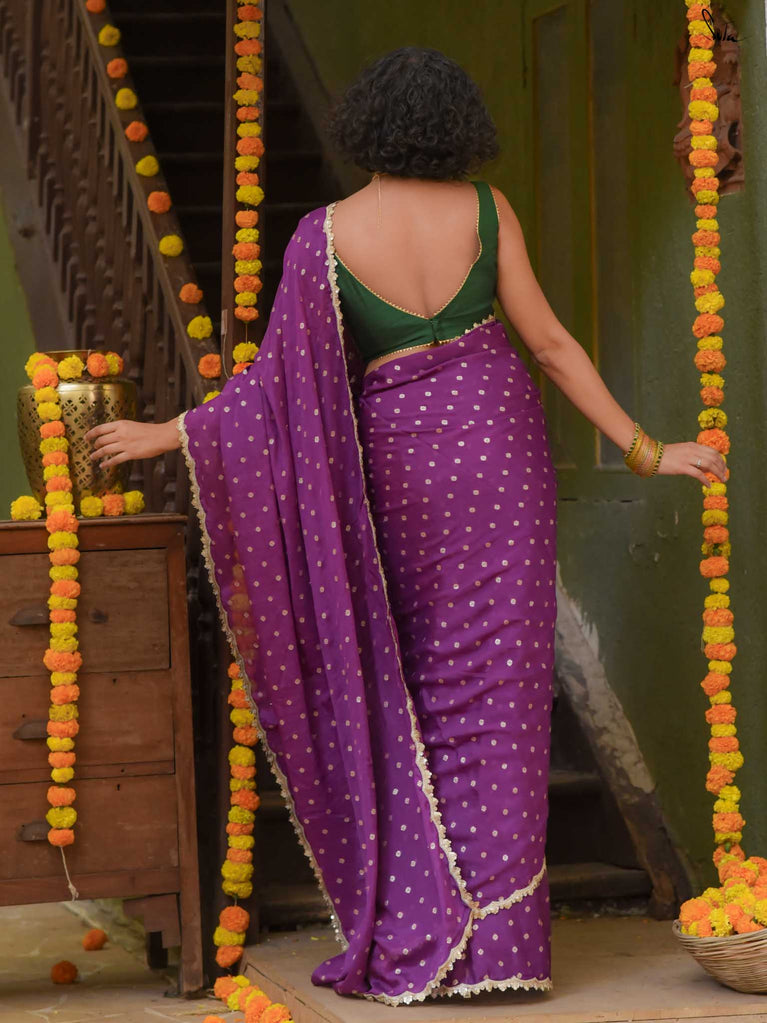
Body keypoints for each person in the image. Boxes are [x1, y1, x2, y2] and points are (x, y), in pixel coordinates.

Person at [85, 47, 727, 1005]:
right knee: (505, 688)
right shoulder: (486, 210)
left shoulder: (324, 235)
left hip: (406, 467)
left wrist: (168, 432)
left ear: (367, 126)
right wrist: (646, 450)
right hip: (501, 456)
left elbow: (274, 390)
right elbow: (551, 346)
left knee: (424, 681)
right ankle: (503, 945)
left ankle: (434, 922)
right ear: (455, 124)